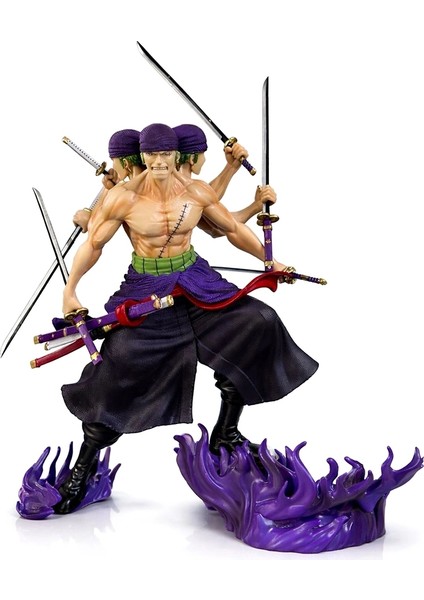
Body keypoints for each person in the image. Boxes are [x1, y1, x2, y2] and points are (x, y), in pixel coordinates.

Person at [54, 123, 318, 515]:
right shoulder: (123, 197)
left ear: (177, 155)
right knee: (117, 363)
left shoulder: (196, 191)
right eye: (152, 154)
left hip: (197, 280)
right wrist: (70, 290)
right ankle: (85, 466)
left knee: (257, 322)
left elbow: (231, 228)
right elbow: (93, 244)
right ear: (143, 155)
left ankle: (226, 431)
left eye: (166, 154)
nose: (159, 162)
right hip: (146, 288)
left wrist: (270, 260)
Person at [72, 128, 146, 233]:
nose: (113, 166)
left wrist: (88, 219)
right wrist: (109, 189)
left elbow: (99, 231)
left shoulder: (128, 196)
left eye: (114, 161)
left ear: (125, 163)